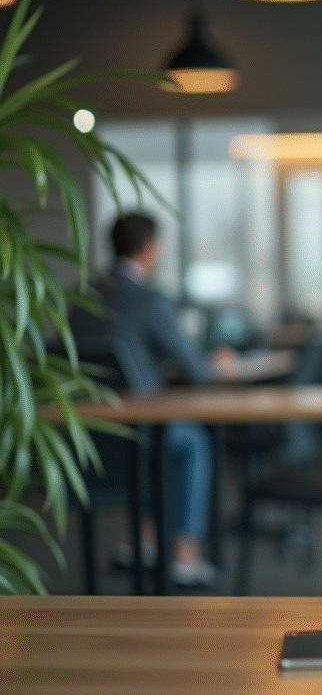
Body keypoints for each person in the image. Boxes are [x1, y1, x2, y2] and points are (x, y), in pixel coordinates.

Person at [70, 212, 237, 587]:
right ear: (149, 249)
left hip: (87, 431)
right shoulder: (149, 299)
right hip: (141, 428)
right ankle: (184, 550)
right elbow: (195, 369)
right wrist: (218, 362)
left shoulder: (80, 297)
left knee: (168, 441)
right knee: (192, 442)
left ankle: (141, 538)